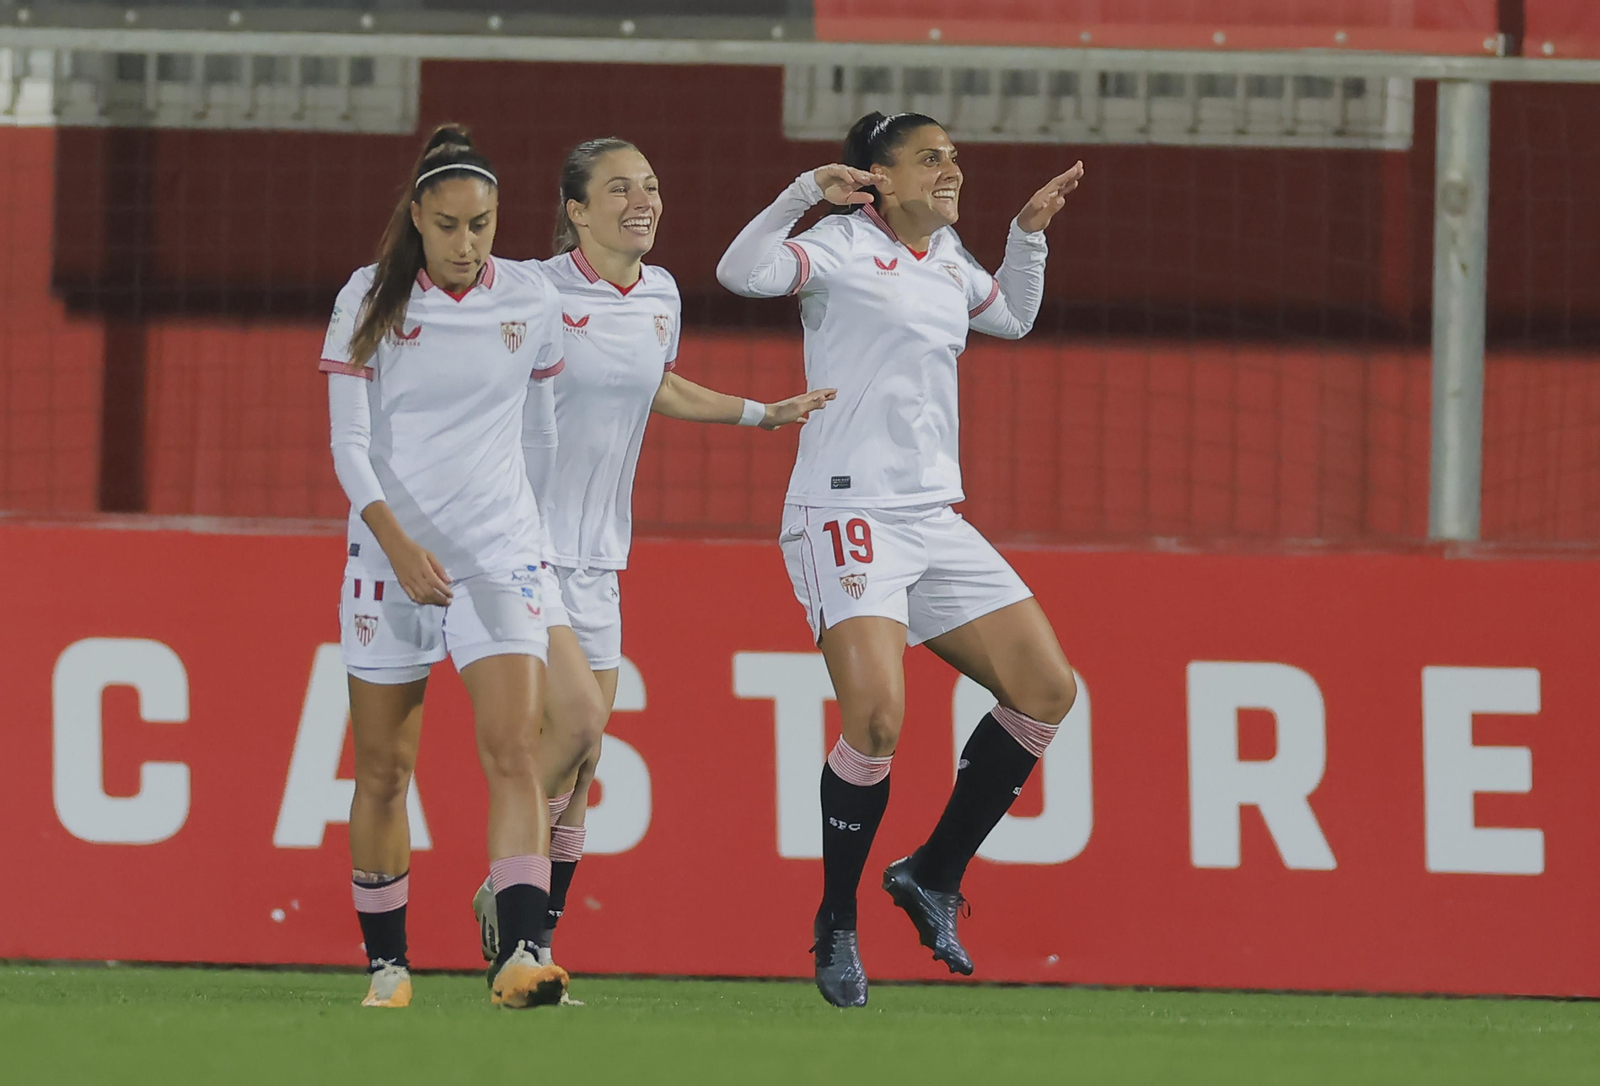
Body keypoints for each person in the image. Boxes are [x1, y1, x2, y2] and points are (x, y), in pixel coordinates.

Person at [716, 111, 1085, 1007]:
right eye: (930, 159)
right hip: (845, 511)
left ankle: (930, 873)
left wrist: (1024, 238)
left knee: (1047, 689)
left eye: (954, 157)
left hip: (933, 517)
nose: (951, 171)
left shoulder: (951, 261)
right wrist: (806, 193)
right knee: (877, 721)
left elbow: (1015, 318)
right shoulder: (837, 246)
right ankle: (837, 922)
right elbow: (740, 272)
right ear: (876, 176)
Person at [472, 137, 835, 979]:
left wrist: (760, 413)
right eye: (619, 188)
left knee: (585, 759)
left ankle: (535, 940)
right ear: (575, 210)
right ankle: (509, 898)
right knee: (575, 727)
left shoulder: (662, 293)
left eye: (652, 186)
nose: (643, 200)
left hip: (601, 555)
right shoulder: (534, 290)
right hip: (528, 547)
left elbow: (657, 384)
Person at [321, 123, 574, 1009]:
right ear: (419, 218)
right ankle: (388, 964)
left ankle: (522, 953)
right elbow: (349, 446)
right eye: (452, 226)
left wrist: (529, 536)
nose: (470, 244)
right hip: (390, 559)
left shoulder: (531, 298)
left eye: (485, 224)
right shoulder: (369, 298)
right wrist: (397, 545)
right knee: (384, 770)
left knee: (516, 751)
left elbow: (541, 429)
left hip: (497, 557)